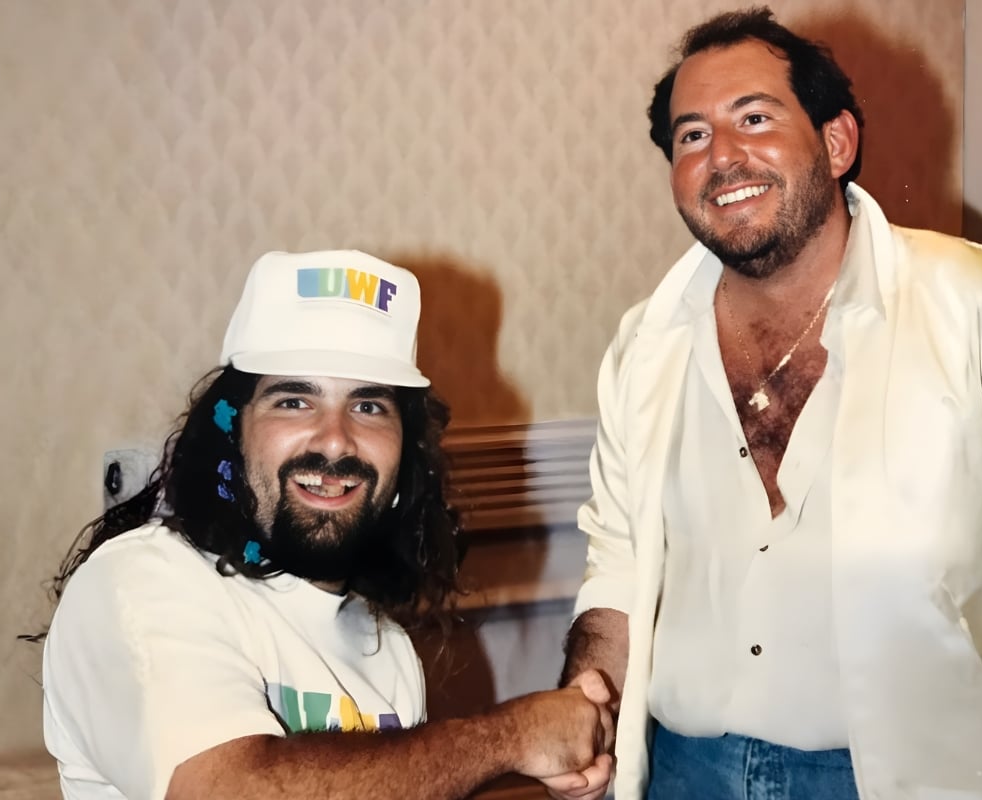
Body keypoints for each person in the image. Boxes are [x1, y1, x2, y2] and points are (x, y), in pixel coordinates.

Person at [552, 8, 982, 800]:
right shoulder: (646, 342)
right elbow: (618, 557)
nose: (722, 156)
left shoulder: (974, 304)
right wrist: (588, 707)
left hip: (909, 774)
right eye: (691, 136)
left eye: (755, 117)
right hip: (687, 770)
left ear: (836, 143)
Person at [41, 250, 614, 800]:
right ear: (231, 432)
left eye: (368, 406)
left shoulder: (383, 648)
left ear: (406, 455)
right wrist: (509, 737)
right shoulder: (141, 583)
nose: (336, 438)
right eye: (293, 401)